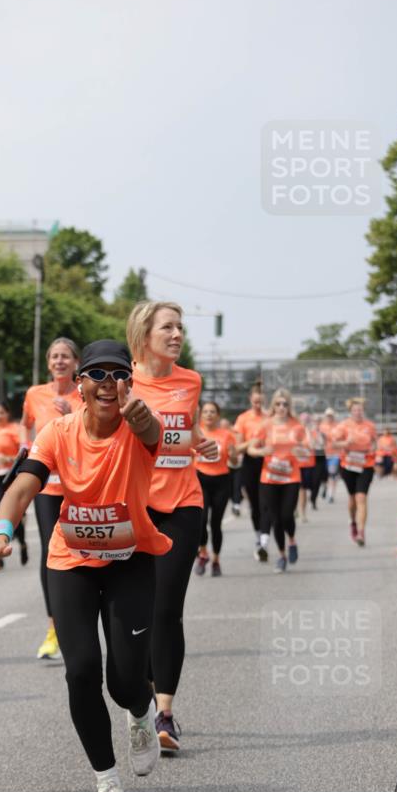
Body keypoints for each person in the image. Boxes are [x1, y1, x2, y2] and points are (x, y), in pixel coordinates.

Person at [0, 341, 171, 792]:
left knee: (124, 681)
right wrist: (1, 533)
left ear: (130, 382)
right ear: (79, 384)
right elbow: (23, 486)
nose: (108, 383)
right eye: (97, 375)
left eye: (118, 374)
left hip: (131, 560)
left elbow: (149, 427)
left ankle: (141, 710)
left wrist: (135, 408)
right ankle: (107, 785)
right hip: (72, 561)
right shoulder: (58, 432)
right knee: (81, 670)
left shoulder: (140, 424)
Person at [127, 302, 217, 753]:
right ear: (145, 334)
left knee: (167, 609)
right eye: (169, 327)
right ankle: (138, 693)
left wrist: (205, 443)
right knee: (135, 611)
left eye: (181, 327)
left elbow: (188, 431)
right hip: (136, 506)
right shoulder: (123, 383)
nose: (178, 334)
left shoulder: (190, 380)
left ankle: (164, 713)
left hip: (183, 502)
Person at [20, 338, 83, 663]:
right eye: (54, 356)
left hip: (79, 486)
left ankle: (82, 619)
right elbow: (26, 426)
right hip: (47, 487)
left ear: (75, 363)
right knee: (49, 551)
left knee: (80, 549)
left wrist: (74, 413)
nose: (60, 361)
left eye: (65, 357)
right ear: (48, 363)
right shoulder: (35, 394)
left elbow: (93, 433)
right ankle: (53, 627)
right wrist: (25, 450)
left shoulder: (83, 394)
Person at [248, 388, 306, 573]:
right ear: (273, 405)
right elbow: (251, 448)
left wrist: (301, 452)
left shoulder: (297, 426)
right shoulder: (266, 425)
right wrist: (260, 452)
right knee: (275, 519)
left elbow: (307, 450)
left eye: (285, 404)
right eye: (278, 404)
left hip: (290, 477)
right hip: (269, 478)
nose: (281, 407)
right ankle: (282, 556)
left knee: (287, 515)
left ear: (290, 406)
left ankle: (292, 541)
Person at [194, 402, 236, 576]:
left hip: (221, 481)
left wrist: (234, 456)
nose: (209, 415)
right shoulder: (195, 433)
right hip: (200, 479)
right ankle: (203, 553)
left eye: (213, 412)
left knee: (216, 523)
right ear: (201, 415)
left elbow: (233, 461)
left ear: (218, 415)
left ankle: (216, 560)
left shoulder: (226, 435)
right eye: (206, 412)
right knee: (201, 521)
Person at [0, 400, 28, 565]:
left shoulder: (15, 430)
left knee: (15, 514)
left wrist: (8, 458)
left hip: (11, 476)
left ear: (7, 414)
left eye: (1, 413)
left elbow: (24, 452)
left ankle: (22, 543)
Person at [333, 397, 377, 547]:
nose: (358, 412)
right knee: (352, 499)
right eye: (355, 410)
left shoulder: (369, 426)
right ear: (350, 411)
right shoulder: (344, 425)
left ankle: (361, 532)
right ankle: (352, 522)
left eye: (360, 410)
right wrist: (345, 443)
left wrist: (373, 449)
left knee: (361, 498)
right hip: (348, 465)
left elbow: (375, 442)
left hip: (366, 465)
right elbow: (334, 442)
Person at [233, 384, 268, 560]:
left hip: (268, 462)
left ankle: (264, 540)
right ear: (250, 399)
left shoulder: (271, 418)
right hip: (250, 463)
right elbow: (238, 448)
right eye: (255, 402)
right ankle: (258, 537)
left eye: (261, 402)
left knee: (266, 504)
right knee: (255, 504)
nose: (258, 405)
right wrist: (251, 442)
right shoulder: (243, 419)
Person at [296, 411, 316, 524]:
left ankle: (302, 512)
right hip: (296, 465)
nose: (304, 423)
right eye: (302, 421)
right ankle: (298, 511)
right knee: (298, 490)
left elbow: (313, 445)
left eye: (306, 421)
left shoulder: (311, 432)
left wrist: (308, 430)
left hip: (308, 464)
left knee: (303, 490)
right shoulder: (295, 432)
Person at [221, 417, 243, 516]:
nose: (224, 427)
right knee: (229, 486)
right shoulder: (219, 435)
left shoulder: (235, 435)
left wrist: (234, 451)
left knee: (237, 485)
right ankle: (235, 500)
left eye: (226, 425)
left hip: (237, 464)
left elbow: (240, 447)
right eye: (222, 426)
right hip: (226, 466)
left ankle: (237, 504)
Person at [319, 407, 339, 503]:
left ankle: (331, 495)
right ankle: (325, 487)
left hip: (334, 454)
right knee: (323, 476)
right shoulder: (321, 426)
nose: (329, 417)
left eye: (331, 416)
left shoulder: (338, 426)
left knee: (332, 474)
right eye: (328, 416)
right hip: (323, 454)